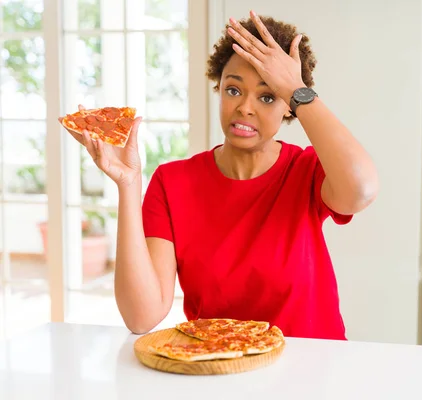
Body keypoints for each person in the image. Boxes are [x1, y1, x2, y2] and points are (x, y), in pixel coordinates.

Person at [60, 11, 378, 340]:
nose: (245, 108)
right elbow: (141, 317)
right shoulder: (172, 183)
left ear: (289, 108)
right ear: (219, 88)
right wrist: (128, 185)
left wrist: (295, 88)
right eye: (233, 90)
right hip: (217, 369)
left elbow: (362, 189)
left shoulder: (307, 171)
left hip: (312, 372)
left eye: (268, 96)